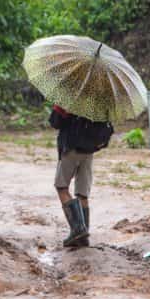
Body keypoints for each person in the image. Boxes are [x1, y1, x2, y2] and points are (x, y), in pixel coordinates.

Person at [48, 105, 113, 248]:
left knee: (61, 187)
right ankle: (83, 236)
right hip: (89, 150)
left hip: (71, 148)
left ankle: (78, 230)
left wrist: (59, 108)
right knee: (82, 193)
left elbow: (55, 122)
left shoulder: (70, 98)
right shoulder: (100, 100)